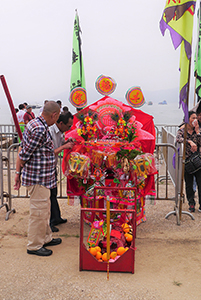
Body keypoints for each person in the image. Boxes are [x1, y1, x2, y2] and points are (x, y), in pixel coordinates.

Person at [14, 101, 63, 257]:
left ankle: (46, 238)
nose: (56, 120)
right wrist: (18, 173)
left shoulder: (37, 124)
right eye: (57, 117)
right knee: (38, 213)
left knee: (45, 210)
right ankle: (34, 245)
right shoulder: (39, 128)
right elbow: (24, 153)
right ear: (54, 115)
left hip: (43, 177)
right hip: (38, 178)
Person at [49, 112, 74, 232]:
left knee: (53, 193)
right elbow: (49, 152)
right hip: (45, 168)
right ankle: (49, 222)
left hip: (52, 167)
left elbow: (59, 144)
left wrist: (66, 142)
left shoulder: (60, 132)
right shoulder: (50, 131)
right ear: (60, 123)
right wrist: (64, 147)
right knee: (48, 196)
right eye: (68, 126)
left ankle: (56, 218)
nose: (69, 128)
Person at [176, 111, 201, 213]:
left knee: (200, 183)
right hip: (187, 161)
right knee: (189, 184)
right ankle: (191, 203)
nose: (195, 120)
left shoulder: (197, 131)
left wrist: (197, 131)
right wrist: (189, 141)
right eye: (192, 118)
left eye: (196, 117)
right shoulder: (182, 131)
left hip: (198, 161)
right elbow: (178, 139)